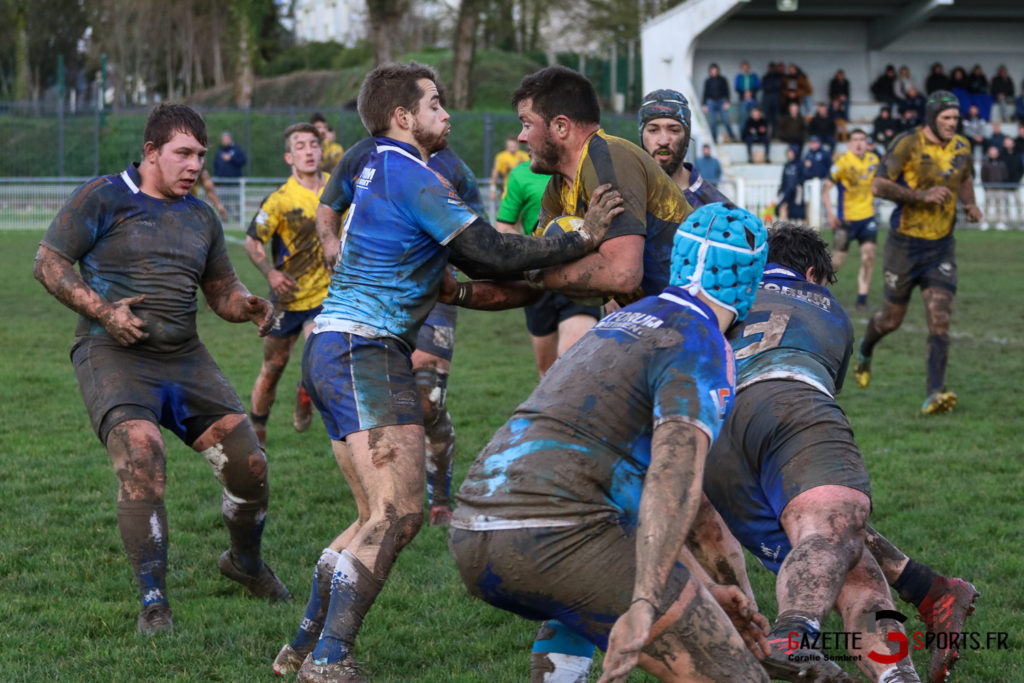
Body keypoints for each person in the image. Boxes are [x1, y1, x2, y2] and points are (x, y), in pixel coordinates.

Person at [284, 62, 623, 682]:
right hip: (365, 349)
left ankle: (305, 644)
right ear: (402, 118)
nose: (448, 113)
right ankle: (329, 661)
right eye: (435, 102)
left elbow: (474, 264)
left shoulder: (375, 163)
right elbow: (489, 252)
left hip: (341, 347)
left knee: (371, 517)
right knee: (399, 514)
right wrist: (583, 236)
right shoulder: (409, 171)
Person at [449, 202, 771, 683]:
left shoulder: (619, 322)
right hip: (556, 531)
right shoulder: (701, 341)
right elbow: (672, 476)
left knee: (576, 603)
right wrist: (645, 600)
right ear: (750, 284)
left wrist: (699, 587)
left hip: (475, 529)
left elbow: (626, 493)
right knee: (738, 677)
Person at [32, 103, 292, 636]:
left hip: (185, 358)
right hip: (112, 355)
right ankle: (154, 602)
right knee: (142, 454)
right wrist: (104, 311)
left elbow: (220, 290)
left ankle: (244, 562)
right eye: (183, 154)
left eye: (199, 154)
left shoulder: (200, 216)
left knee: (251, 469)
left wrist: (247, 304)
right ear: (151, 152)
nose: (195, 165)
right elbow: (48, 262)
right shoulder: (103, 196)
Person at [703, 222, 921, 683]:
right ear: (810, 272)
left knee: (838, 563)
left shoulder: (728, 293)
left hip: (713, 440)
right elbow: (825, 384)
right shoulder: (828, 307)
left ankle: (894, 678)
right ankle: (796, 634)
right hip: (790, 405)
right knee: (835, 533)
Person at [858, 90, 983, 414]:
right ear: (932, 118)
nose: (953, 124)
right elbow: (879, 185)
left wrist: (969, 204)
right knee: (890, 320)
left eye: (955, 118)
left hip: (941, 245)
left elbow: (964, 177)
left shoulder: (962, 147)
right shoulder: (907, 143)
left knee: (939, 319)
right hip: (904, 245)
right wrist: (920, 196)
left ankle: (934, 394)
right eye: (946, 118)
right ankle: (866, 349)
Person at [245, 123, 330, 447]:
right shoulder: (279, 200)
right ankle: (257, 435)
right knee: (273, 367)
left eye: (313, 144)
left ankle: (306, 391)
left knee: (317, 359)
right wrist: (270, 274)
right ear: (289, 157)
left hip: (325, 295)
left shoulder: (338, 192)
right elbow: (253, 244)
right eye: (300, 146)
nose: (308, 151)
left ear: (322, 151)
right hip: (287, 300)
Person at [496, 158, 601, 377]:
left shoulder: (589, 169)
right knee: (547, 370)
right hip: (538, 280)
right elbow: (504, 226)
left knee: (572, 362)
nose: (523, 137)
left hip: (579, 276)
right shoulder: (520, 175)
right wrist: (538, 248)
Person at [638, 89, 730, 209]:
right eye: (653, 130)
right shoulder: (624, 199)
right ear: (642, 136)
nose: (664, 141)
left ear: (686, 136)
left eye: (674, 130)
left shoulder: (717, 208)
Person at [823, 128, 881, 310]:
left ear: (866, 143)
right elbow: (826, 190)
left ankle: (862, 299)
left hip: (867, 217)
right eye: (855, 139)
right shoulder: (842, 163)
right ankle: (815, 290)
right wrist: (831, 215)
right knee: (837, 261)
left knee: (869, 255)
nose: (858, 143)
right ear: (849, 144)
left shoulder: (874, 160)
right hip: (846, 221)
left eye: (862, 139)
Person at [490, 134, 529, 205]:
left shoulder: (525, 156)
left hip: (524, 190)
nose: (512, 147)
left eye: (514, 145)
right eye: (510, 145)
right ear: (507, 146)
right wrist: (493, 190)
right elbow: (495, 173)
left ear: (518, 145)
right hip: (507, 191)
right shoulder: (501, 156)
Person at [702, 63, 735, 143]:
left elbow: (727, 92)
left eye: (715, 70)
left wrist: (727, 102)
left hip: (721, 102)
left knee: (726, 120)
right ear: (710, 71)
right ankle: (714, 139)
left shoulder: (723, 79)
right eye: (712, 70)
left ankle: (732, 136)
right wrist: (704, 105)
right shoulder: (708, 81)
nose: (714, 72)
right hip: (711, 102)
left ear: (718, 70)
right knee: (713, 122)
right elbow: (705, 93)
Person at [980, 144, 1010, 230]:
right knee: (987, 205)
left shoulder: (1002, 164)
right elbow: (983, 176)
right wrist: (985, 187)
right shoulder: (985, 164)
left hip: (1000, 188)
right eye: (991, 153)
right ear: (989, 154)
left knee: (1000, 205)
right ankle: (984, 222)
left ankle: (1000, 222)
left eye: (995, 152)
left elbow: (1005, 175)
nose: (993, 154)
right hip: (989, 188)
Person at [777, 146, 805, 223]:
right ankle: (783, 226)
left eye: (791, 152)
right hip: (787, 191)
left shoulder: (800, 164)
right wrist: (780, 190)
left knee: (798, 210)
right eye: (789, 152)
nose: (789, 154)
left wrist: (796, 184)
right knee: (783, 206)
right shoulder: (787, 165)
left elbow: (803, 176)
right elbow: (783, 179)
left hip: (796, 191)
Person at [761, 61, 784, 137]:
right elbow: (764, 88)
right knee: (767, 118)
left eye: (773, 67)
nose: (772, 69)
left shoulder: (779, 77)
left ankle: (775, 134)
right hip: (767, 101)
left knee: (776, 118)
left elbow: (779, 87)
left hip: (776, 101)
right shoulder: (765, 77)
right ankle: (766, 133)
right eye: (770, 67)